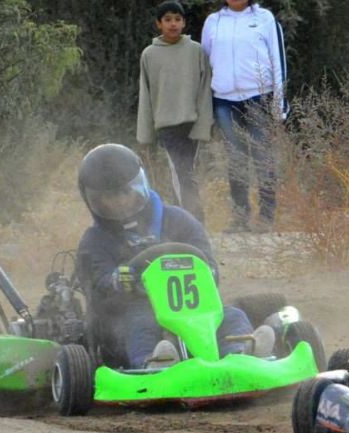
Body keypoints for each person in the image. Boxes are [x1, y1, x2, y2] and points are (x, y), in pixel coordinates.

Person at [76, 143, 274, 369]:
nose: (121, 200)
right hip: (131, 314)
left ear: (140, 184)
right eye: (111, 196)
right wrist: (117, 280)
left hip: (194, 308)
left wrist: (206, 270)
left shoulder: (178, 220)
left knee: (231, 316)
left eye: (125, 191)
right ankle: (154, 364)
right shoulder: (96, 240)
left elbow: (209, 265)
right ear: (95, 201)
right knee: (142, 323)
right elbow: (95, 282)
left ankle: (241, 355)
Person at [201, 0, 288, 233]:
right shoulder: (213, 22)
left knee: (263, 158)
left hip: (258, 98)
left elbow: (278, 62)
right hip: (224, 101)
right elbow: (205, 65)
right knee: (235, 160)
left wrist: (279, 105)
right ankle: (240, 218)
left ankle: (266, 218)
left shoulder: (265, 19)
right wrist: (205, 107)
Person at [137, 1, 213, 223]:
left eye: (177, 19)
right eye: (168, 19)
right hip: (166, 125)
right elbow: (146, 94)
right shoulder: (149, 54)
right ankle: (192, 220)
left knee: (184, 173)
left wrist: (204, 124)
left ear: (184, 22)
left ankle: (188, 221)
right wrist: (146, 133)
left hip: (192, 122)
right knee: (179, 172)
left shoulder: (196, 51)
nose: (173, 24)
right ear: (159, 23)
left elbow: (205, 90)